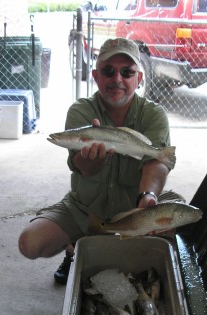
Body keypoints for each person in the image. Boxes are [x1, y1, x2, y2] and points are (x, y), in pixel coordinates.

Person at [18, 37, 176, 284]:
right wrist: (93, 160)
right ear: (96, 75)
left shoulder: (153, 114)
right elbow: (83, 167)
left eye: (127, 72)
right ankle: (74, 248)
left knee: (171, 232)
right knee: (29, 243)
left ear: (139, 79)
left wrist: (149, 196)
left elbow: (156, 164)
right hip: (84, 206)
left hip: (133, 207)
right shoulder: (80, 111)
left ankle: (103, 242)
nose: (117, 79)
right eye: (108, 71)